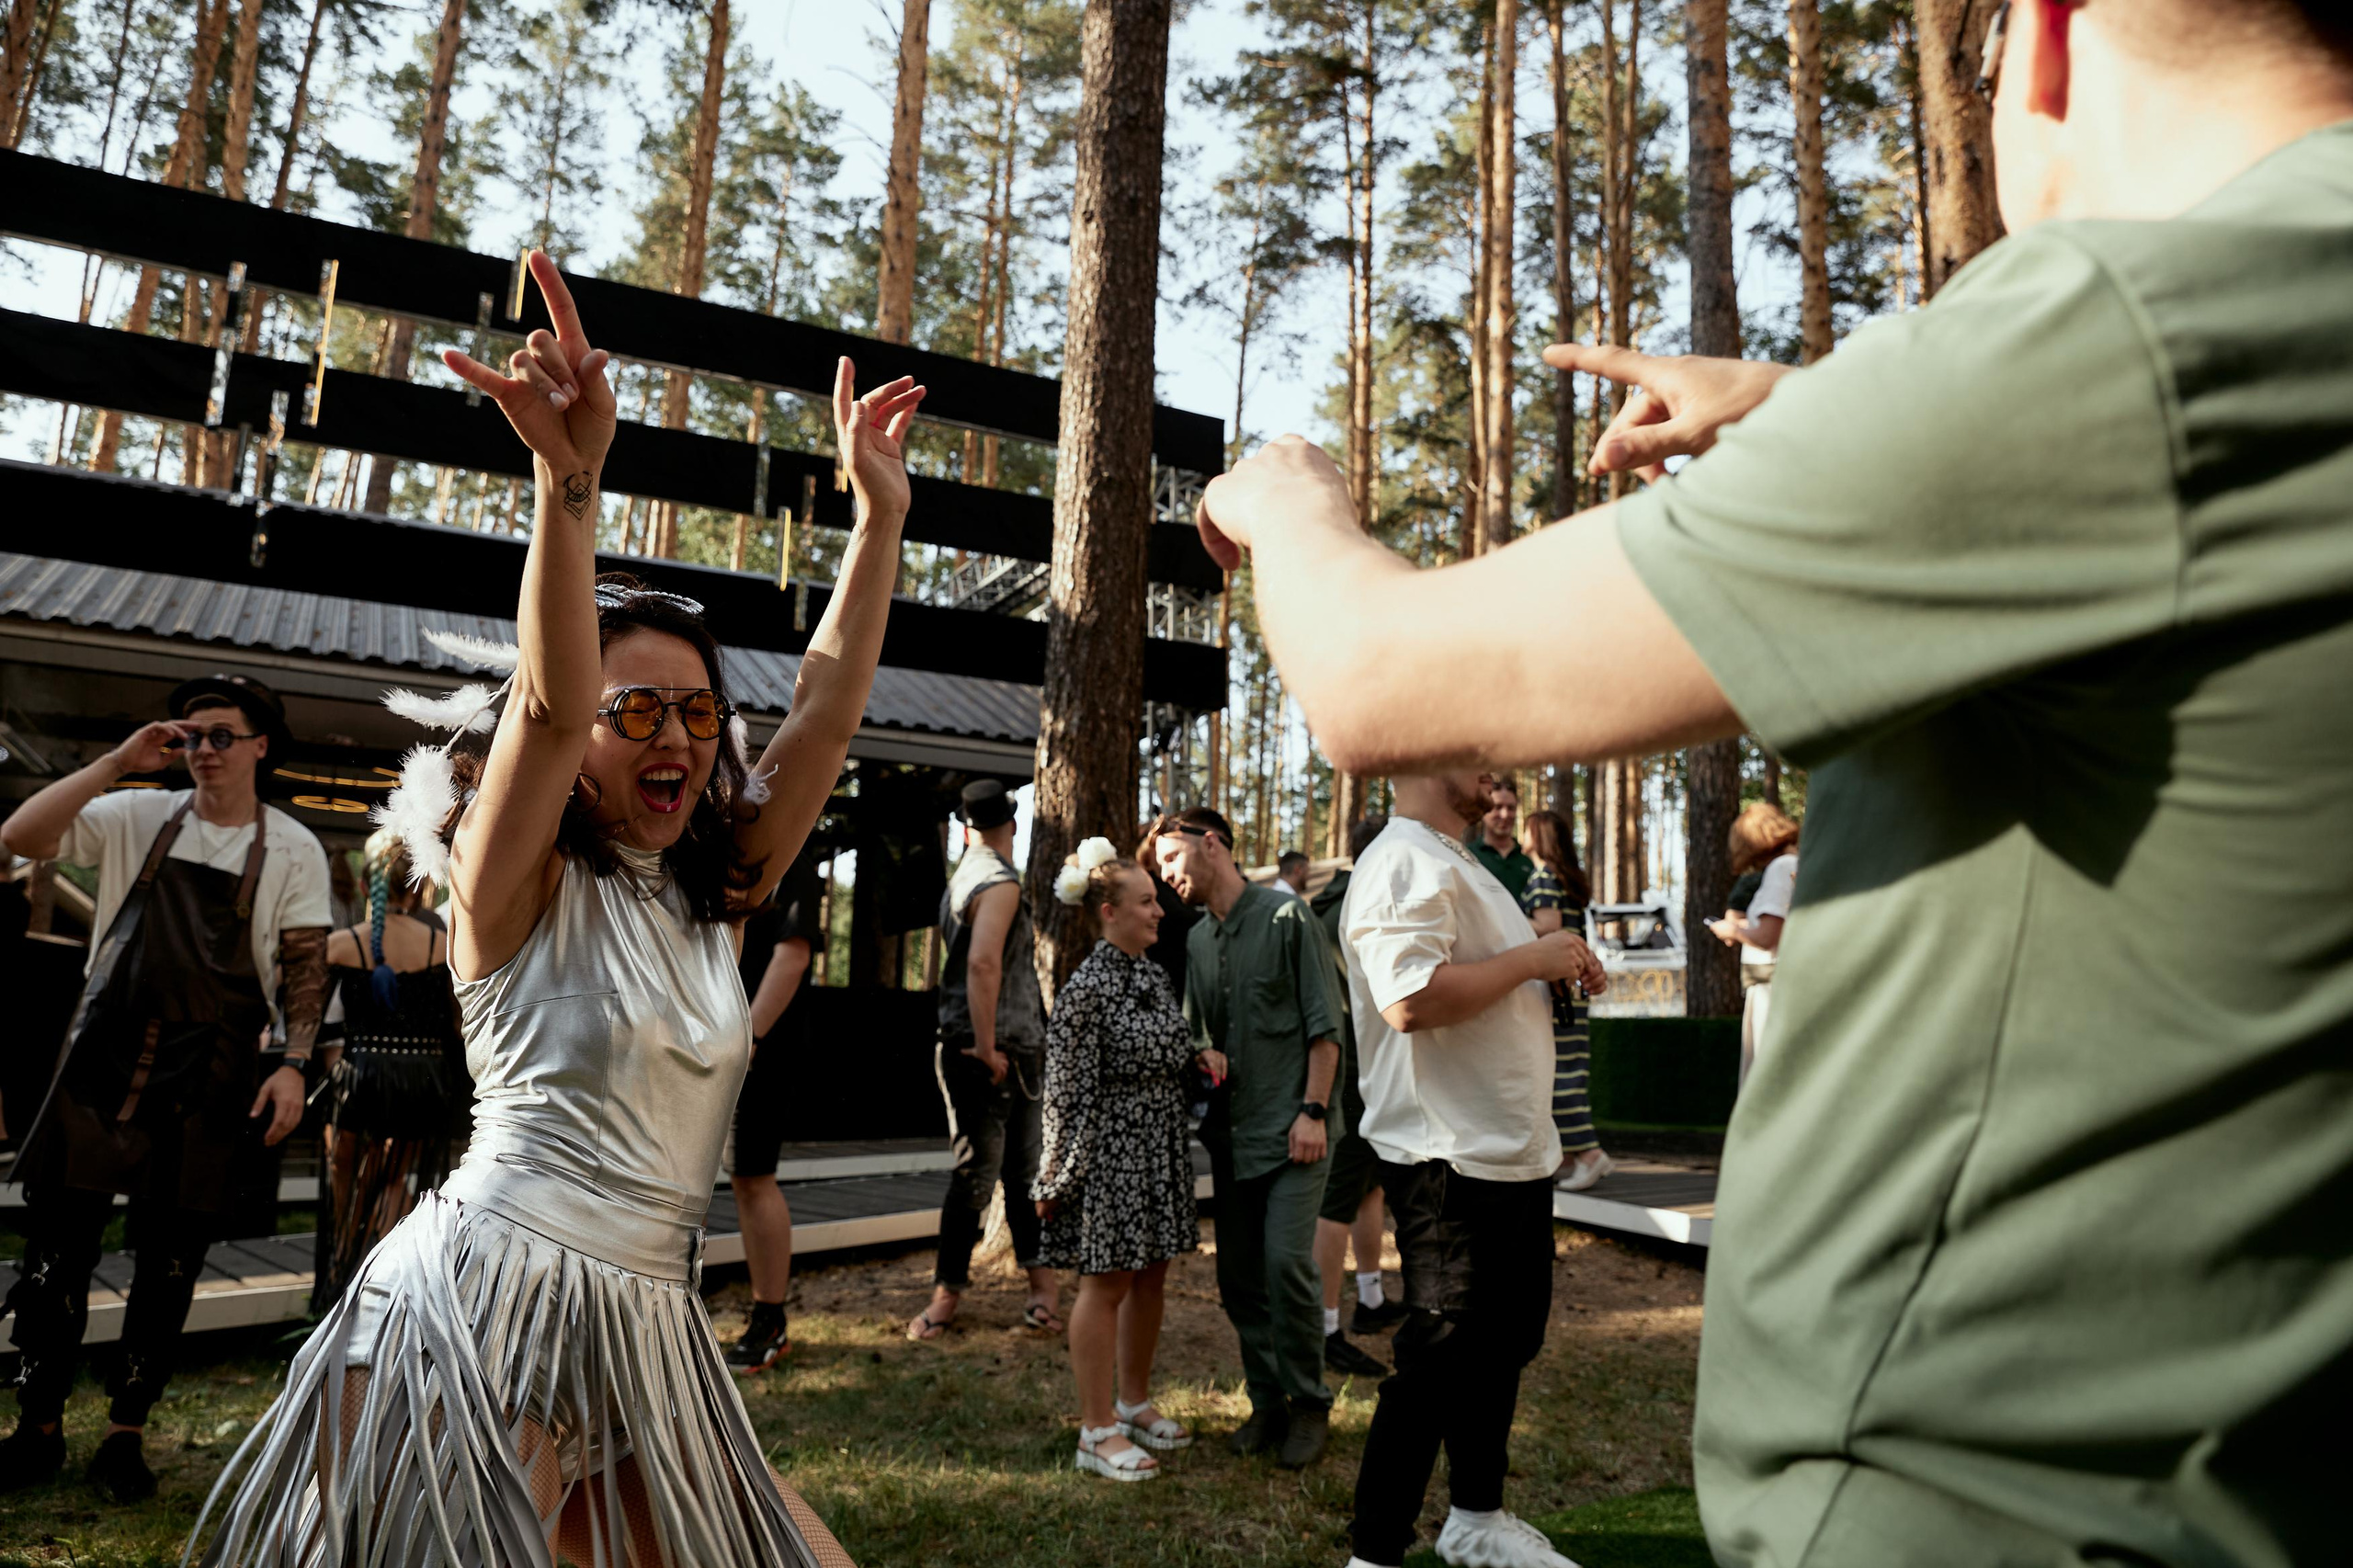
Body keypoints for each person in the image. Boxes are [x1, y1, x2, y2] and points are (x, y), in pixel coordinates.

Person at [1196, 6, 2353, 1562]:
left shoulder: (2120, 325)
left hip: (2002, 1489)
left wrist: (1294, 507)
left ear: (2053, 42)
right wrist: (1822, 411)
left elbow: (1380, 680)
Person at [187, 252, 907, 1566]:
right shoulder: (512, 887)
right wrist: (569, 487)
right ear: (583, 750)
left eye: (695, 711)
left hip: (645, 1346)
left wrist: (876, 523)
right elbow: (547, 700)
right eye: (638, 712)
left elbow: (824, 710)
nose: (671, 734)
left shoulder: (719, 894)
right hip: (475, 1325)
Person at [0, 672, 331, 1503]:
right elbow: (20, 833)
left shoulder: (292, 845)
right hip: (99, 1065)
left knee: (169, 1265)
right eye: (190, 735)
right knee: (54, 1256)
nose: (204, 750)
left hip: (210, 1073)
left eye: (223, 735)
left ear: (261, 746)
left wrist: (293, 1062)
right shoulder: (135, 814)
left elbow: (302, 965)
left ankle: (125, 1435)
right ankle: (35, 1428)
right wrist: (118, 761)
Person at [1336, 771, 1608, 1568]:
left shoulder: (1455, 857)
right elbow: (1410, 999)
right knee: (1440, 1360)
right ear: (1420, 755)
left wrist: (1548, 962)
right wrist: (1533, 957)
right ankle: (1375, 1554)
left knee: (1500, 1345)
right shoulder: (1402, 858)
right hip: (1447, 1156)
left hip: (1507, 1152)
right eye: (1473, 748)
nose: (1495, 766)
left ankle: (1477, 1518)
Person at [1154, 806, 1343, 1470]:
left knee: (1287, 1265)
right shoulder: (1200, 939)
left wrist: (1313, 1111)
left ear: (1212, 846)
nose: (1167, 878)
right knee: (1238, 1281)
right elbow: (1196, 1028)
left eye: (1172, 861)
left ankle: (1310, 1404)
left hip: (1296, 1134)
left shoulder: (1290, 918)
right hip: (1230, 1138)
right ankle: (1266, 1404)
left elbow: (1326, 1026)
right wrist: (1203, 1050)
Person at [1033, 841, 1203, 1482]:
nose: (1160, 911)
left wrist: (1197, 1060)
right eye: (1146, 902)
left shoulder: (1153, 974)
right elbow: (1065, 1091)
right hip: (1110, 1155)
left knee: (1152, 1274)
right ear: (1108, 912)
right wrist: (1054, 1176)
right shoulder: (1087, 989)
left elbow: (1165, 1048)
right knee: (1107, 1285)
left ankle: (1134, 1403)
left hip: (1159, 1147)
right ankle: (1096, 1428)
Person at [908, 778, 1060, 1342]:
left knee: (1017, 1176)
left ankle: (1040, 1289)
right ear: (1011, 826)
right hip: (990, 1052)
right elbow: (981, 966)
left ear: (969, 828)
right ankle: (946, 1298)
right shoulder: (998, 882)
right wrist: (990, 1044)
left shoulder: (963, 878)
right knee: (979, 1178)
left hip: (1003, 1048)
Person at [313, 829, 469, 1315]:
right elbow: (459, 1024)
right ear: (423, 886)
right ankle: (386, 1290)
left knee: (345, 1187)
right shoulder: (446, 945)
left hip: (360, 1079)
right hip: (425, 1083)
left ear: (365, 887)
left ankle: (343, 1286)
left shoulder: (340, 945)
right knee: (399, 1184)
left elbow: (312, 1019)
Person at [726, 849, 825, 1374]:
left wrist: (751, 1035)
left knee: (753, 1177)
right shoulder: (713, 841)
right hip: (711, 1039)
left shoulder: (796, 854)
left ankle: (771, 1320)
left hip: (758, 1046)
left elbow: (794, 954)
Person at [1311, 815, 1402, 1380]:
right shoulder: (1362, 901)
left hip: (1359, 1063)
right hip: (1353, 1067)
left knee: (1368, 1189)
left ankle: (1370, 1300)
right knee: (1337, 1198)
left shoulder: (1332, 898)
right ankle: (1323, 1331)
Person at [1519, 809, 1609, 1192]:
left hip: (1557, 991)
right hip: (1573, 990)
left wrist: (1505, 924)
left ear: (1537, 836)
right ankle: (1569, 1156)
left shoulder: (1542, 878)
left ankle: (1590, 1154)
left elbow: (1547, 927)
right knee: (1571, 1068)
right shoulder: (1564, 878)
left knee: (1558, 1075)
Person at [1706, 802, 1799, 1091]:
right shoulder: (1796, 864)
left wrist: (1730, 929)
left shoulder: (1781, 868)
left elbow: (1767, 935)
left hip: (1772, 989)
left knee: (1768, 1081)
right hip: (1781, 986)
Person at [1467, 777, 1533, 903]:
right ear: (1484, 810)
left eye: (1511, 808)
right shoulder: (1468, 856)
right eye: (1497, 807)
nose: (1505, 815)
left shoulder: (1529, 858)